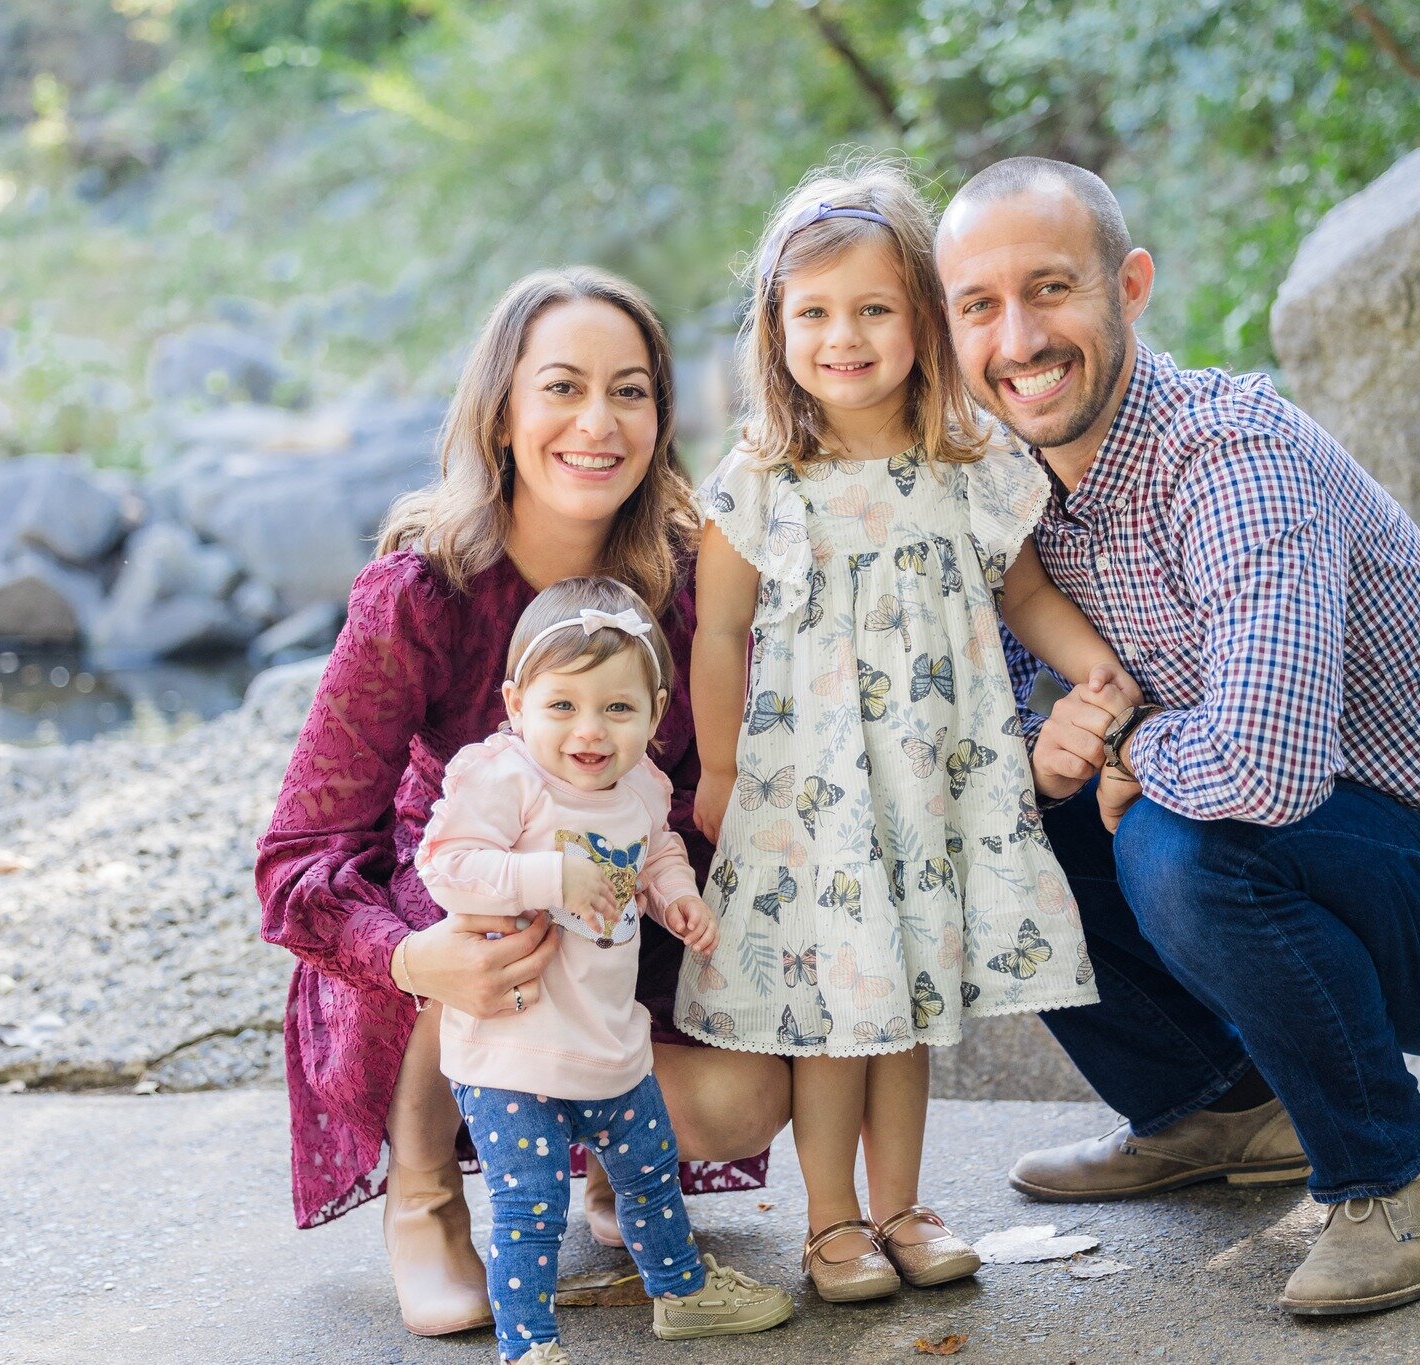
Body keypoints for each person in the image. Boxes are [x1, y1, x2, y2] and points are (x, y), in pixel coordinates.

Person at [933, 156, 1420, 1316]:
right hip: (1324, 864)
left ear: (1128, 286)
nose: (1019, 337)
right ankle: (1217, 1109)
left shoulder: (1231, 460)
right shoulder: (1014, 497)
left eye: (1050, 289)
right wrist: (1049, 757)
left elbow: (1261, 771)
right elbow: (995, 737)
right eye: (979, 306)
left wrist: (1127, 751)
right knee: (995, 817)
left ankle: (1399, 1177)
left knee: (1180, 839)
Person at [255, 268, 790, 1339]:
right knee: (485, 910)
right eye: (562, 388)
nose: (597, 422)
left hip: (618, 931)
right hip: (443, 949)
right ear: (502, 411)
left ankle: (607, 1171)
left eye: (629, 392)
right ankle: (426, 1195)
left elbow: (701, 797)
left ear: (660, 415)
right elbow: (294, 861)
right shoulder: (421, 595)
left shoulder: (689, 586)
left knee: (742, 1101)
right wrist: (412, 960)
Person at [675, 158, 1134, 1304]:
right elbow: (717, 632)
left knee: (908, 1013)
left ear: (921, 318)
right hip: (809, 789)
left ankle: (903, 1208)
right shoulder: (763, 479)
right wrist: (721, 767)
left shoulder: (963, 460)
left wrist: (1089, 666)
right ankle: (831, 1224)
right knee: (838, 1016)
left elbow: (1019, 591)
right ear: (773, 328)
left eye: (874, 308)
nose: (845, 336)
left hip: (931, 783)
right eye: (814, 313)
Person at [418, 576, 795, 1363]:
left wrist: (677, 895)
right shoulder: (506, 777)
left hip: (609, 1043)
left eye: (617, 708)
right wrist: (551, 877)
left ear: (655, 714)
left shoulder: (642, 786)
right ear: (516, 703)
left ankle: (681, 1291)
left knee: (651, 1175)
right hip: (512, 1054)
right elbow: (446, 864)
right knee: (529, 1204)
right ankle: (530, 1343)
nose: (590, 730)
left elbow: (656, 849)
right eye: (563, 706)